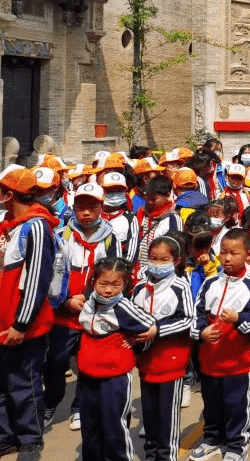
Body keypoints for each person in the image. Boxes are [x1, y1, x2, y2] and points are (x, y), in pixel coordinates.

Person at [43, 181, 120, 430]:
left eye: (92, 207)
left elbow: (114, 274)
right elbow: (52, 273)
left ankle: (79, 407)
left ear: (101, 207)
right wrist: (65, 299)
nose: (85, 212)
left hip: (94, 310)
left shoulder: (110, 238)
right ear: (73, 207)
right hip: (64, 311)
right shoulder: (62, 234)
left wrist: (90, 298)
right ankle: (51, 401)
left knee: (86, 362)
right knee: (56, 359)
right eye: (81, 207)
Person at [189, 228, 250, 461]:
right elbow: (198, 311)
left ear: (248, 254)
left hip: (238, 362)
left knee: (236, 406)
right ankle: (212, 438)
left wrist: (238, 319)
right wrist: (202, 331)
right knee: (211, 403)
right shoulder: (211, 282)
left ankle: (236, 445)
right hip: (211, 359)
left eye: (234, 253)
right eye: (223, 252)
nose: (228, 258)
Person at [0, 166, 58, 461]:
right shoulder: (8, 223)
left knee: (25, 384)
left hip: (23, 325)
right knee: (2, 385)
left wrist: (21, 324)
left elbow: (37, 279)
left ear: (9, 195)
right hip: (2, 322)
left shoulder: (35, 226)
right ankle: (6, 435)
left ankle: (29, 439)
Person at [76, 257, 157, 461]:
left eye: (116, 284)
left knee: (114, 427)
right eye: (103, 283)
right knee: (90, 425)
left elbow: (149, 323)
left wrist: (140, 337)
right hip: (87, 376)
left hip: (115, 378)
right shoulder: (90, 300)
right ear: (93, 281)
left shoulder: (123, 307)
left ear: (124, 284)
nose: (109, 290)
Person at [133, 236, 196, 461]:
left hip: (171, 361)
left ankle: (166, 455)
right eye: (153, 259)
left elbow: (188, 319)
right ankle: (151, 453)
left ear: (177, 261)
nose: (157, 264)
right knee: (149, 414)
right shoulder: (140, 286)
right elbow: (132, 315)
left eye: (164, 259)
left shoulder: (180, 286)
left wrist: (157, 329)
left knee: (167, 415)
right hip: (146, 362)